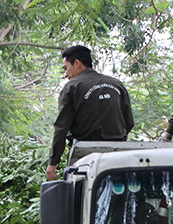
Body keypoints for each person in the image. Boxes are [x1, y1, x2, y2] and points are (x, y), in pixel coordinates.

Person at [46, 44, 134, 180]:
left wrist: (53, 163)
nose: (66, 74)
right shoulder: (117, 85)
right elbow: (129, 122)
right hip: (117, 153)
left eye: (66, 68)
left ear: (76, 63)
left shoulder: (72, 87)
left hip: (84, 155)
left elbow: (61, 128)